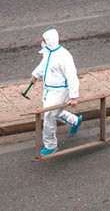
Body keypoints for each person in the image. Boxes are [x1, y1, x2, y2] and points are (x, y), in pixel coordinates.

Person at [31, 28, 81, 156]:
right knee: (54, 113)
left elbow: (72, 76)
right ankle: (75, 121)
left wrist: (73, 96)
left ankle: (50, 145)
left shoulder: (64, 56)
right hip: (48, 90)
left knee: (49, 116)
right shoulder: (48, 53)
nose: (42, 42)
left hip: (59, 91)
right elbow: (43, 65)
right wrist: (36, 75)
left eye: (44, 40)